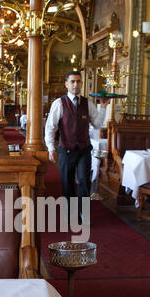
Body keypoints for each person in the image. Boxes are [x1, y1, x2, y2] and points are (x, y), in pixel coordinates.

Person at [45, 70, 109, 221]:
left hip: (84, 150)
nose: (76, 84)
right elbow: (50, 127)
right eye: (72, 81)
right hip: (66, 149)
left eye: (78, 81)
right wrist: (51, 148)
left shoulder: (88, 103)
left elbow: (98, 124)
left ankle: (83, 213)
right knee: (67, 183)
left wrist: (103, 107)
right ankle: (70, 214)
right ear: (66, 84)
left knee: (84, 182)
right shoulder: (59, 103)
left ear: (81, 84)